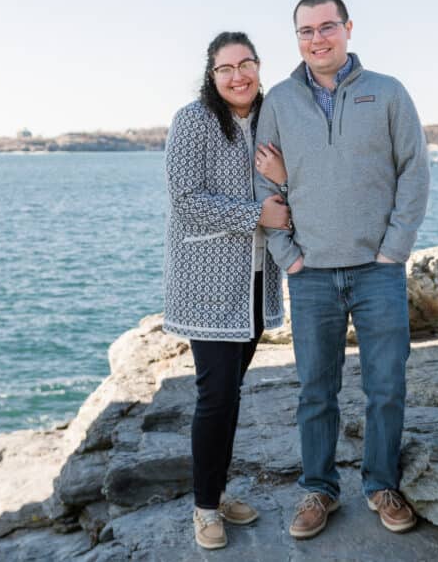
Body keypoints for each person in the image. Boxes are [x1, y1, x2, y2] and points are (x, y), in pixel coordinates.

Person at [254, 0, 430, 539]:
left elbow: (414, 172)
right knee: (314, 391)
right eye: (305, 31)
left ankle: (381, 484)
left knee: (386, 385)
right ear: (297, 39)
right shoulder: (279, 101)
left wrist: (392, 250)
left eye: (327, 27)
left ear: (348, 29)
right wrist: (291, 258)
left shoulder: (387, 92)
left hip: (378, 271)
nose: (317, 39)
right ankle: (317, 490)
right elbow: (264, 185)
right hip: (311, 276)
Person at [163, 31, 290, 550]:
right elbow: (185, 199)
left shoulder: (272, 116)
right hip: (207, 283)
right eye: (225, 68)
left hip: (258, 282)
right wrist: (254, 214)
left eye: (246, 64)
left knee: (230, 394)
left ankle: (215, 490)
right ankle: (204, 509)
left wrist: (281, 180)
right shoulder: (192, 121)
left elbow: (290, 185)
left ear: (259, 68)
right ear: (210, 75)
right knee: (215, 397)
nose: (238, 76)